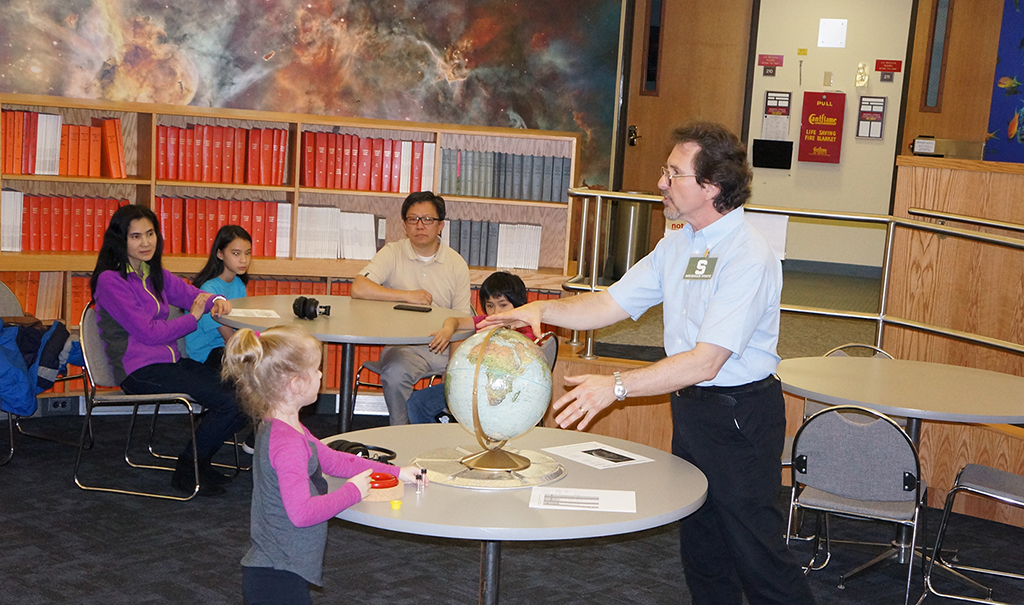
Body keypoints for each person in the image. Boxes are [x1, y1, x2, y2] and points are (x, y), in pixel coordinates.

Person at [479, 122, 816, 605]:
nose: (661, 182)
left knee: (758, 556)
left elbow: (706, 362)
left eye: (673, 173)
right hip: (694, 412)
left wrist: (613, 386)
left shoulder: (748, 256)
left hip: (740, 417)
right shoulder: (678, 242)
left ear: (711, 187)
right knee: (703, 552)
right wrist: (540, 310)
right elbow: (609, 304)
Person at [222, 325, 421, 605]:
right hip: (278, 576)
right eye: (315, 370)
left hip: (281, 567)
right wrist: (352, 491)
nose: (319, 375)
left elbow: (331, 459)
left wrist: (396, 472)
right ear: (295, 384)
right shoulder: (287, 442)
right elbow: (302, 513)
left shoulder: (286, 427)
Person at [90, 204, 247, 497]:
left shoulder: (153, 272)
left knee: (244, 393)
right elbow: (148, 333)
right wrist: (193, 318)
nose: (146, 242)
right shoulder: (111, 280)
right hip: (138, 371)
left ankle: (200, 460)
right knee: (229, 402)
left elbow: (192, 293)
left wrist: (216, 301)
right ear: (120, 240)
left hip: (170, 361)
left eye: (150, 233)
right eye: (136, 236)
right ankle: (188, 469)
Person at [350, 191, 473, 425]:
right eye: (412, 219)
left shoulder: (456, 263)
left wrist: (454, 366)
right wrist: (406, 296)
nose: (420, 225)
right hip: (403, 347)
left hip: (444, 346)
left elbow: (462, 322)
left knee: (473, 374)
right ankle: (401, 434)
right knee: (395, 373)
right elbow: (358, 288)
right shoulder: (392, 253)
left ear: (440, 226)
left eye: (427, 219)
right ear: (404, 225)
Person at [406, 271, 536, 424]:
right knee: (416, 402)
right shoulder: (486, 321)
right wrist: (448, 329)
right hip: (470, 385)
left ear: (518, 304)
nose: (496, 312)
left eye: (503, 305)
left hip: (501, 393)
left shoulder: (527, 332)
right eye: (490, 306)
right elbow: (454, 320)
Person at [185, 225, 252, 370]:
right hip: (208, 353)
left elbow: (242, 324)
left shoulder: (238, 284)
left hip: (229, 346)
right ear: (220, 254)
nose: (244, 260)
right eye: (236, 253)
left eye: (247, 253)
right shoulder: (208, 289)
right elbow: (228, 337)